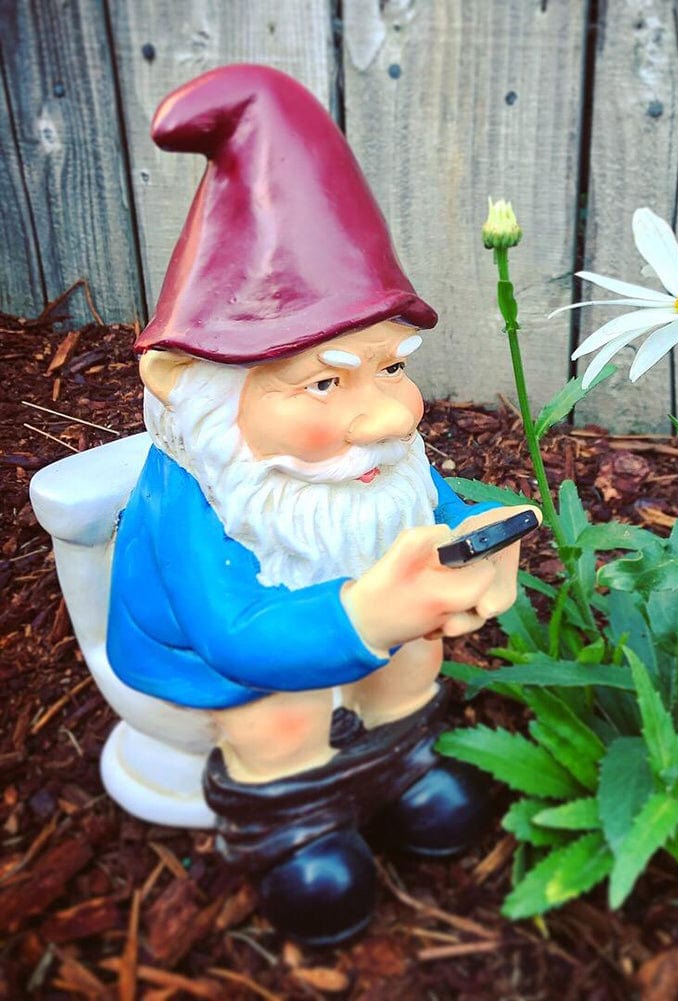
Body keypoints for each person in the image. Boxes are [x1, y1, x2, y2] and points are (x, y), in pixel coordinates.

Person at [106, 64, 537, 946]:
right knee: (279, 705)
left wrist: (470, 543)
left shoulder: (375, 455)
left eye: (392, 367)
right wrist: (370, 608)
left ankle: (398, 759)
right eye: (324, 382)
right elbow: (233, 629)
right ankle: (293, 814)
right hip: (222, 660)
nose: (386, 413)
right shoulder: (202, 497)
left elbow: (430, 504)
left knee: (412, 654)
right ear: (194, 388)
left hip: (363, 621)